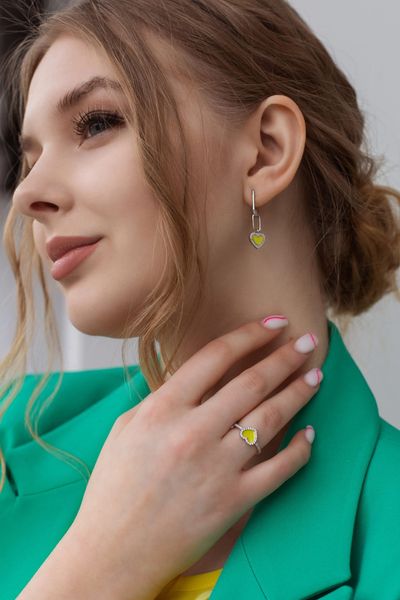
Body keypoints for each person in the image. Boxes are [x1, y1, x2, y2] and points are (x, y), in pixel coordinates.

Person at [1, 1, 400, 598]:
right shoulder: (11, 438)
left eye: (97, 123)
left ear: (266, 151)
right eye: (29, 159)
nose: (27, 194)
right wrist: (100, 562)